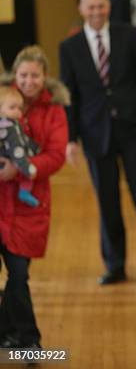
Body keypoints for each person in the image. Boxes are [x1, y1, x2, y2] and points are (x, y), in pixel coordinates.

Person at [59, 0, 136, 285]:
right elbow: (70, 97)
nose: (96, 12)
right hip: (96, 135)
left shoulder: (129, 35)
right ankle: (115, 265)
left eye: (101, 6)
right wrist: (71, 139)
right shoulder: (69, 47)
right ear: (81, 9)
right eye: (90, 7)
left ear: (109, 6)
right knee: (107, 201)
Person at [0, 45, 69, 348]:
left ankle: (28, 340)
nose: (28, 81)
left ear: (45, 77)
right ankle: (13, 337)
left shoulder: (53, 109)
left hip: (29, 205)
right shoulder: (2, 98)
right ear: (15, 74)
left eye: (35, 76)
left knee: (18, 276)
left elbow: (55, 155)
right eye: (23, 75)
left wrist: (22, 169)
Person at [0, 86, 41, 207]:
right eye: (12, 108)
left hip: (11, 158)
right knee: (26, 174)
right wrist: (26, 167)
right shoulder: (8, 128)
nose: (18, 111)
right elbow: (17, 149)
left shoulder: (12, 123)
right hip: (10, 159)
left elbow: (22, 138)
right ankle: (24, 192)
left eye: (19, 108)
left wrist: (33, 147)